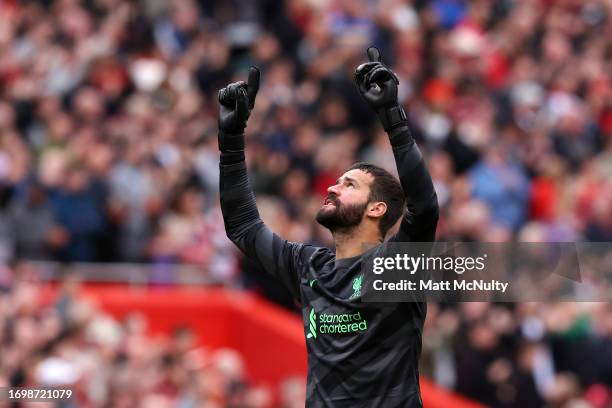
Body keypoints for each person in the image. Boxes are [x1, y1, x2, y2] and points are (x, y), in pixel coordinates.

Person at [218, 47, 439, 407]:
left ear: (377, 209)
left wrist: (393, 119)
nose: (332, 187)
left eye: (349, 184)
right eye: (337, 181)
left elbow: (425, 206)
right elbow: (242, 226)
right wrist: (230, 142)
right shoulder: (309, 267)